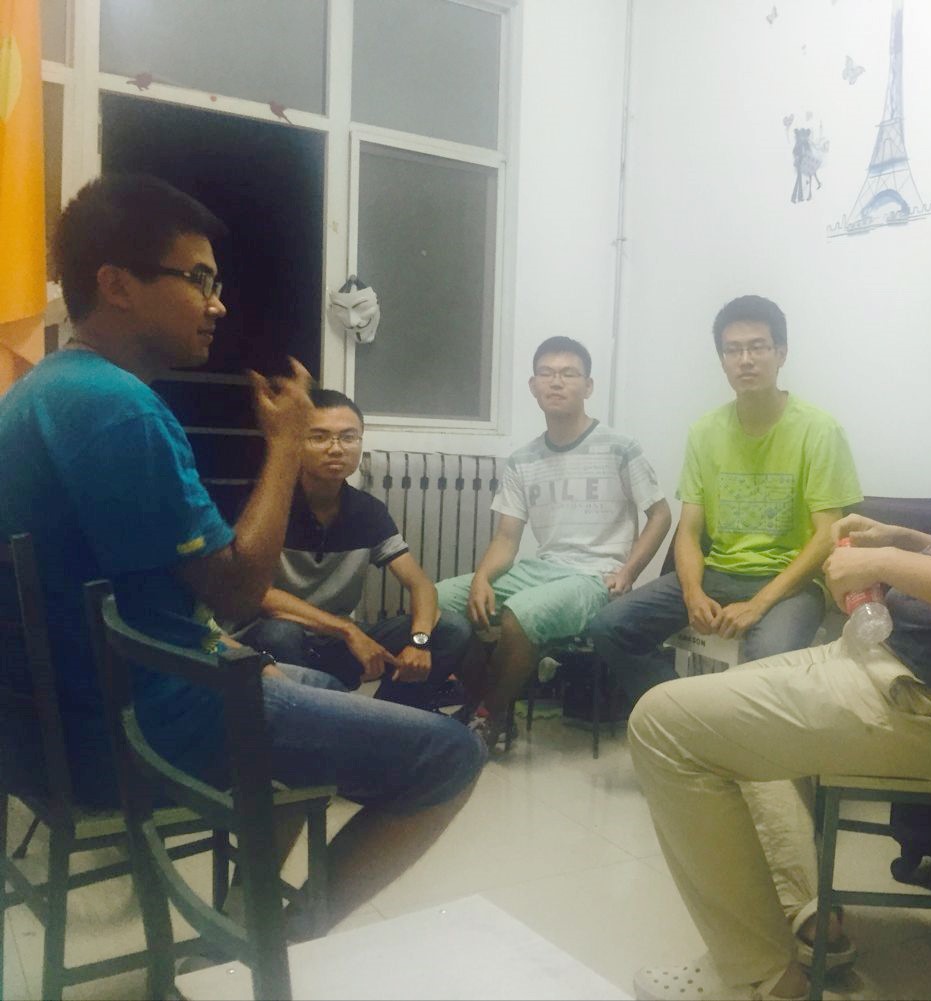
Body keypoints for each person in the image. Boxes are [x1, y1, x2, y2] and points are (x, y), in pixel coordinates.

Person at [627, 201, 931, 1000]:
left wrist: (886, 559)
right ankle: (812, 924)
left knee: (662, 723)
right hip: (904, 670)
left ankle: (762, 979)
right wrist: (911, 539)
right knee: (723, 717)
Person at [0, 174, 485, 931]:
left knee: (302, 679)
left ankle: (242, 926)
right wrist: (284, 443)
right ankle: (281, 941)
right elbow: (235, 590)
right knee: (450, 755)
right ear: (116, 284)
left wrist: (223, 646)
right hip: (131, 732)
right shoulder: (121, 409)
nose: (217, 304)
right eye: (198, 279)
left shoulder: (44, 392)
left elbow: (138, 587)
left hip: (49, 731)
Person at [589, 295, 863, 707]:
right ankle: (682, 713)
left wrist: (758, 604)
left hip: (792, 582)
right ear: (722, 360)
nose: (745, 360)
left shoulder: (820, 431)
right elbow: (689, 531)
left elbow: (827, 536)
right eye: (733, 350)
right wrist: (692, 593)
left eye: (757, 347)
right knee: (609, 626)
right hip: (719, 572)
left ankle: (731, 733)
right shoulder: (705, 432)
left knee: (767, 658)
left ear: (781, 353)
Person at [435, 336, 671, 749]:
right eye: (546, 373)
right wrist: (482, 578)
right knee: (438, 599)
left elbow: (661, 515)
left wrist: (628, 571)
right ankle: (488, 707)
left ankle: (488, 716)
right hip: (542, 570)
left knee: (522, 614)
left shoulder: (619, 447)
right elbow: (506, 538)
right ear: (533, 386)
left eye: (568, 374)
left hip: (595, 577)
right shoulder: (523, 460)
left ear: (588, 386)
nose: (556, 382)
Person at [232, 388, 470, 710]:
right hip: (272, 639)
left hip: (335, 642)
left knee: (452, 628)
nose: (336, 449)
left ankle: (387, 717)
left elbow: (420, 585)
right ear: (296, 443)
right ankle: (305, 721)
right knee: (280, 633)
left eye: (348, 437)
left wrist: (419, 641)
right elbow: (259, 594)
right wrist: (346, 629)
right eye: (319, 437)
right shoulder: (268, 507)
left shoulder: (366, 511)